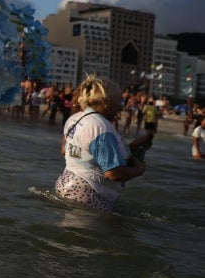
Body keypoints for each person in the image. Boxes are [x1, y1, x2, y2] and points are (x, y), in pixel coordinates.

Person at [55, 75, 146, 213]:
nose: (120, 107)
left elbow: (66, 150)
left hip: (65, 184)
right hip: (87, 193)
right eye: (118, 101)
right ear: (105, 102)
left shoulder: (75, 118)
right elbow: (113, 173)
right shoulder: (100, 126)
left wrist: (131, 147)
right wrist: (139, 170)